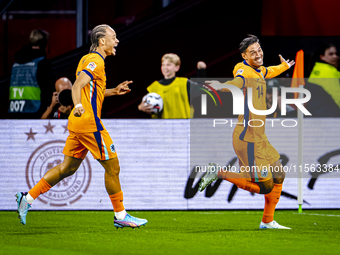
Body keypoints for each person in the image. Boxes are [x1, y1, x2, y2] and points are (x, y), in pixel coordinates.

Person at [16, 24, 148, 229]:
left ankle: (28, 197)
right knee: (113, 167)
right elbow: (77, 86)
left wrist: (114, 91)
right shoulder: (96, 61)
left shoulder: (86, 59)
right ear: (102, 41)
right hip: (89, 123)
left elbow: (90, 92)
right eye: (114, 37)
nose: (117, 41)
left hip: (77, 124)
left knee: (66, 168)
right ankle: (120, 215)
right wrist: (77, 105)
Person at [199, 35, 294, 229]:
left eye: (259, 50)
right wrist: (222, 87)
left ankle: (267, 222)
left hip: (260, 136)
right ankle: (218, 173)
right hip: (248, 137)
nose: (258, 54)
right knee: (265, 186)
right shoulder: (243, 70)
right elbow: (238, 82)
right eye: (253, 52)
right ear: (244, 55)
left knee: (279, 174)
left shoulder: (258, 71)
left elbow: (269, 71)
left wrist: (284, 67)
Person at [138, 53, 205, 118]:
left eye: (168, 65)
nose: (165, 68)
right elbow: (142, 108)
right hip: (162, 127)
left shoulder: (184, 83)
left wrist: (201, 71)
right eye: (163, 65)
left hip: (183, 126)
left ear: (177, 68)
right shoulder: (153, 87)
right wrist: (140, 108)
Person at [8, 29, 54, 119]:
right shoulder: (43, 63)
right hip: (35, 112)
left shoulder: (15, 63)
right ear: (44, 44)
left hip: (14, 111)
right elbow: (48, 90)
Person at [308, 43, 340, 109]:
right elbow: (337, 95)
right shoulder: (329, 71)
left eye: (335, 54)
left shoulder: (316, 69)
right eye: (331, 54)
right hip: (329, 112)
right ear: (322, 56)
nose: (335, 56)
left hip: (314, 110)